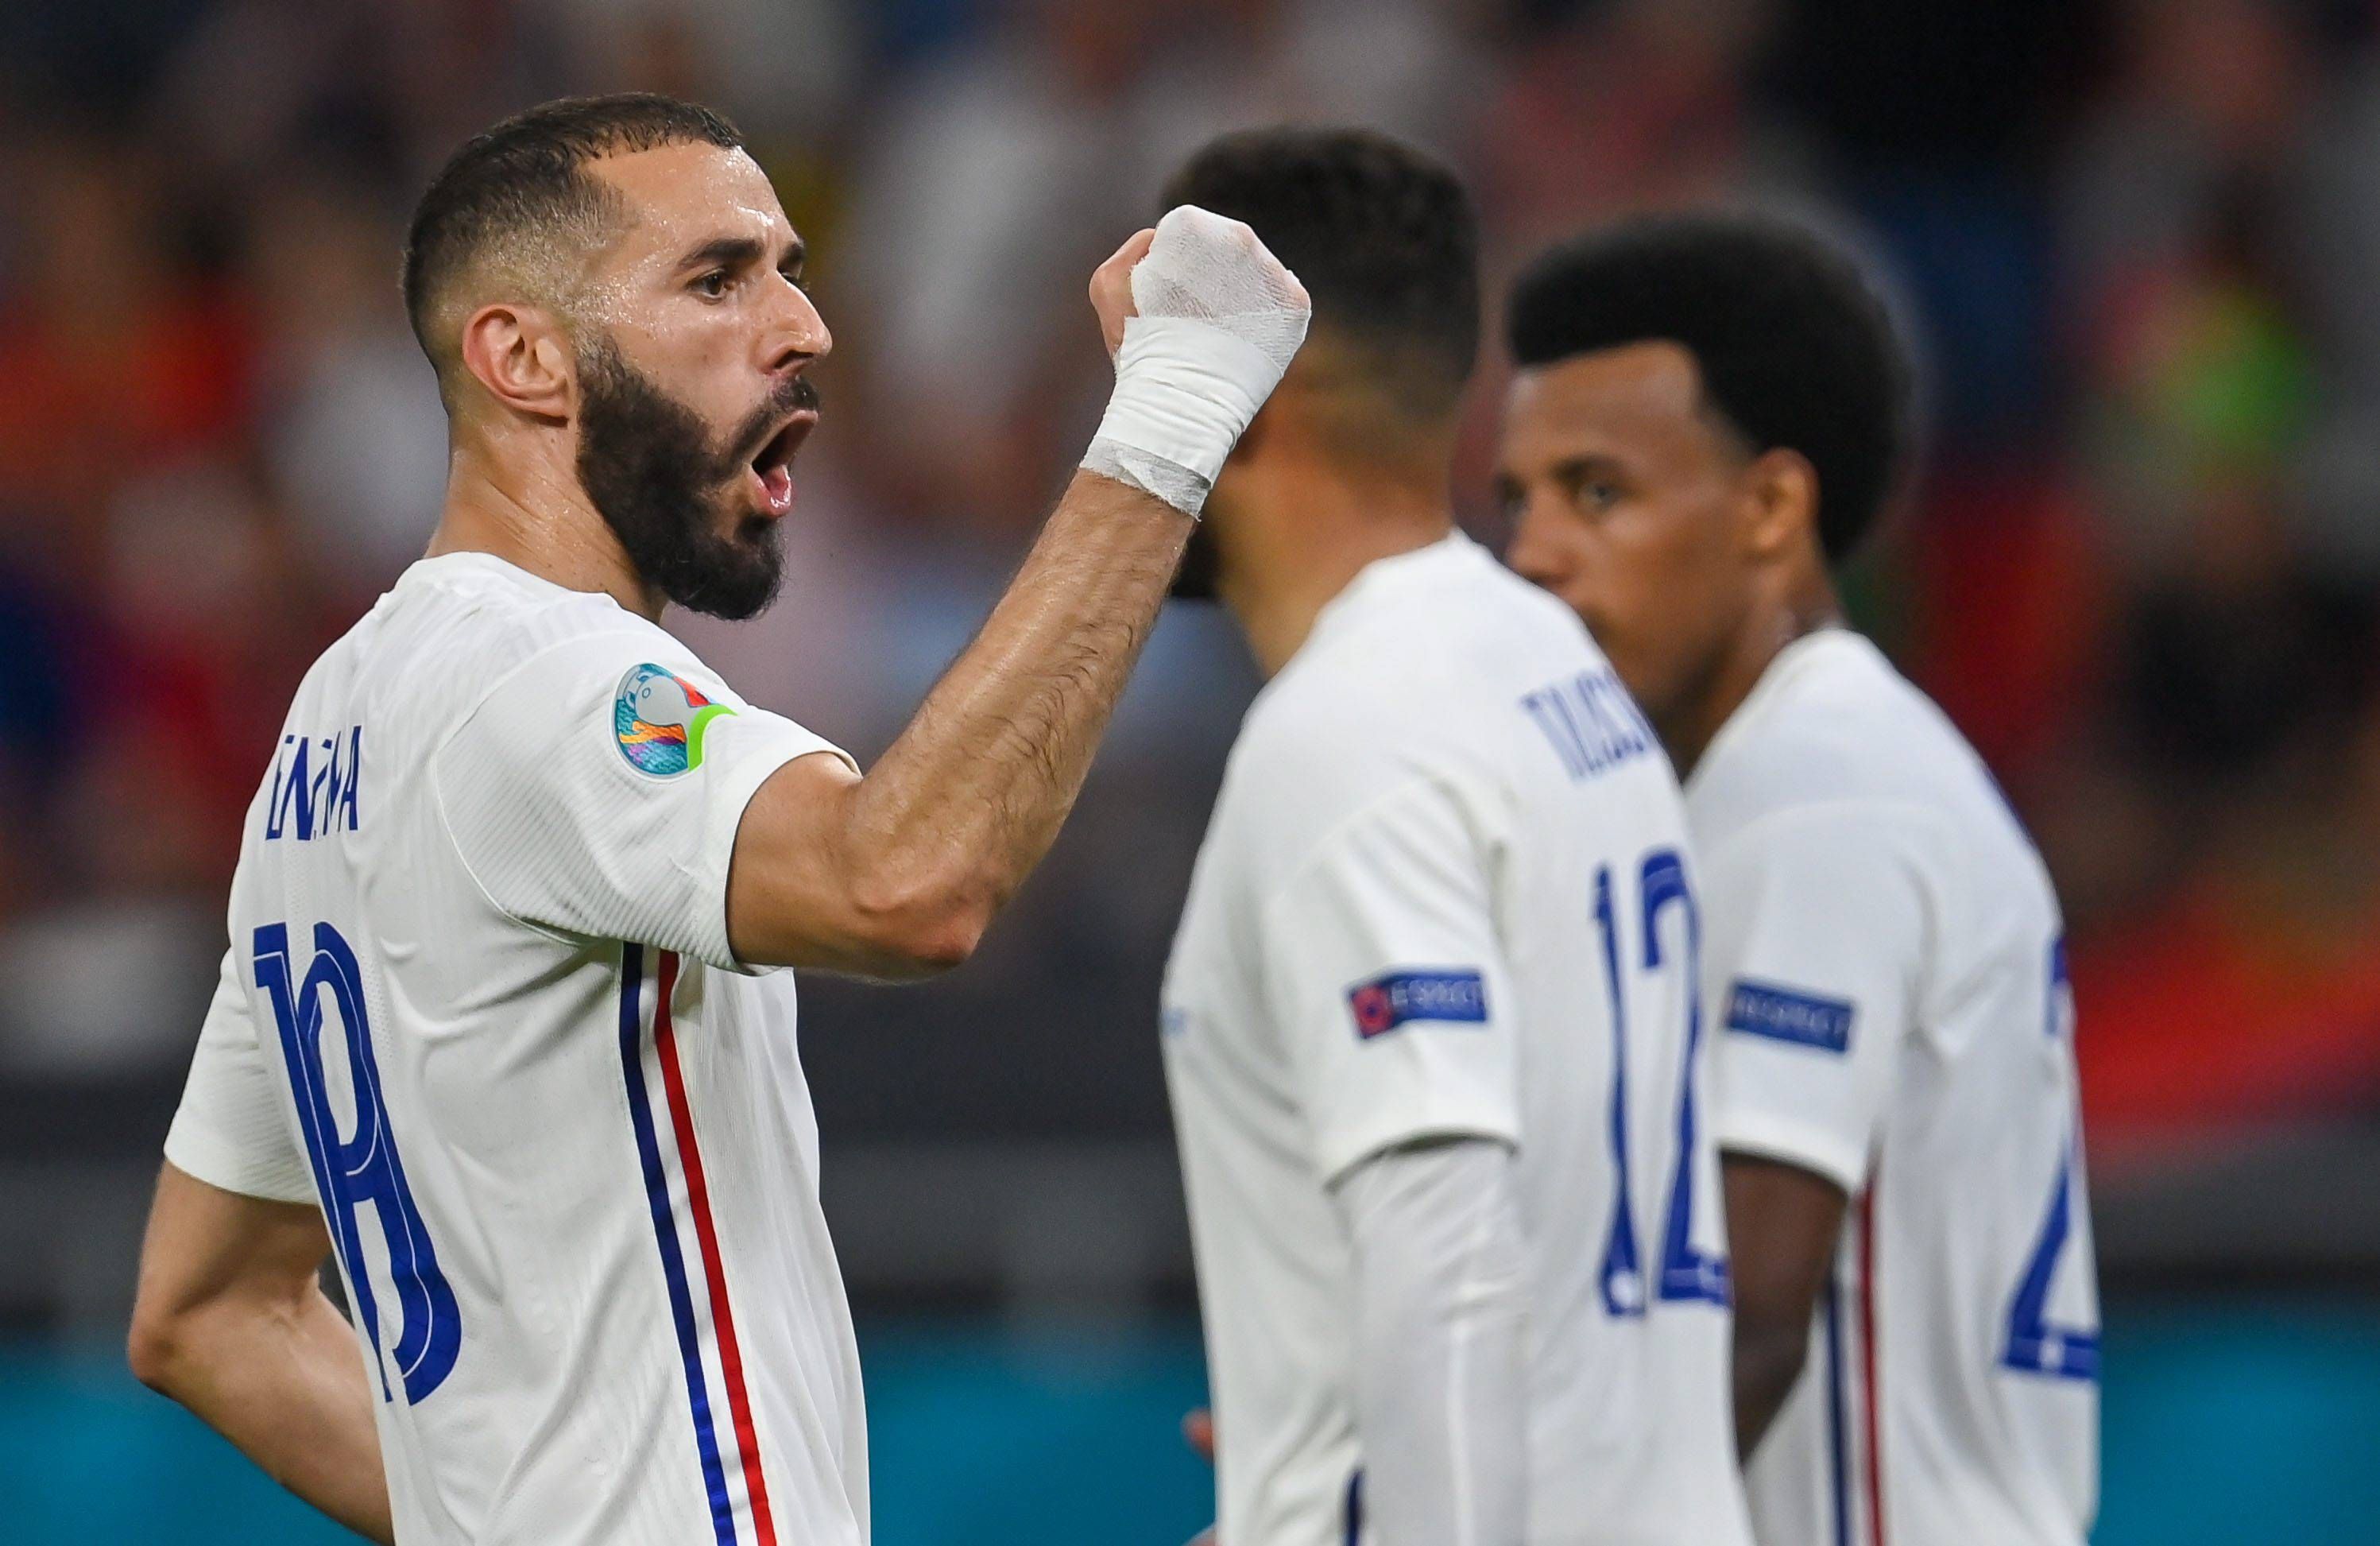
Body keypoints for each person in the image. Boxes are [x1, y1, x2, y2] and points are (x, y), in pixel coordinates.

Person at [126, 93, 1309, 1546]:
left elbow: (207, 1312)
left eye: (790, 268)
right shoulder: (548, 680)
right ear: (524, 358)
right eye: (717, 276)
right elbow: (904, 881)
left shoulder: (333, 727)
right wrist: (1171, 417)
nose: (803, 324)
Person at [1157, 127, 1753, 1546]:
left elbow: (1453, 1263)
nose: (1120, 422)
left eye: (1147, 364)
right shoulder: (1551, 664)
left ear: (1242, 398)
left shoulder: (1352, 732)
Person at [1496, 211, 2098, 1545]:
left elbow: (1748, 1322)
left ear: (1772, 507)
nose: (1533, 552)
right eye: (1518, 498)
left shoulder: (1816, 786)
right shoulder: (1782, 774)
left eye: (1597, 491)